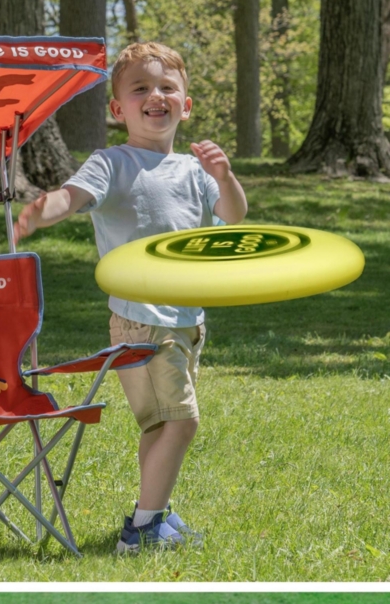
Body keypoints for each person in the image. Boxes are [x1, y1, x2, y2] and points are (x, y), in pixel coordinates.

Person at [15, 41, 248, 554]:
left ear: (186, 105)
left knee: (159, 423)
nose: (155, 96)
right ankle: (141, 531)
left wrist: (224, 176)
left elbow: (234, 217)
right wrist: (43, 209)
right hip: (141, 321)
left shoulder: (193, 170)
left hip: (186, 317)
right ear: (118, 110)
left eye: (167, 88)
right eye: (140, 88)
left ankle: (155, 514)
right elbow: (73, 196)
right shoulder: (111, 163)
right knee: (182, 423)